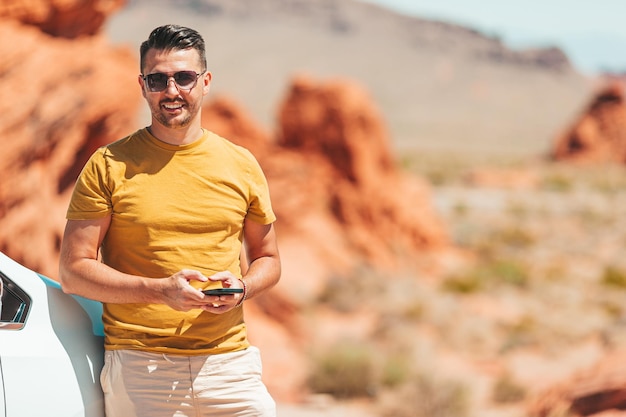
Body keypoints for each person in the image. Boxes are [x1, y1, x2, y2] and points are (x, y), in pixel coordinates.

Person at [59, 24, 280, 417]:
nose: (171, 90)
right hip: (141, 372)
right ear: (143, 85)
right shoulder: (108, 165)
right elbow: (74, 271)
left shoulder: (241, 163)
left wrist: (243, 288)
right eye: (158, 79)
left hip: (229, 367)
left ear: (205, 81)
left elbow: (269, 258)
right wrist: (161, 291)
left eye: (184, 77)